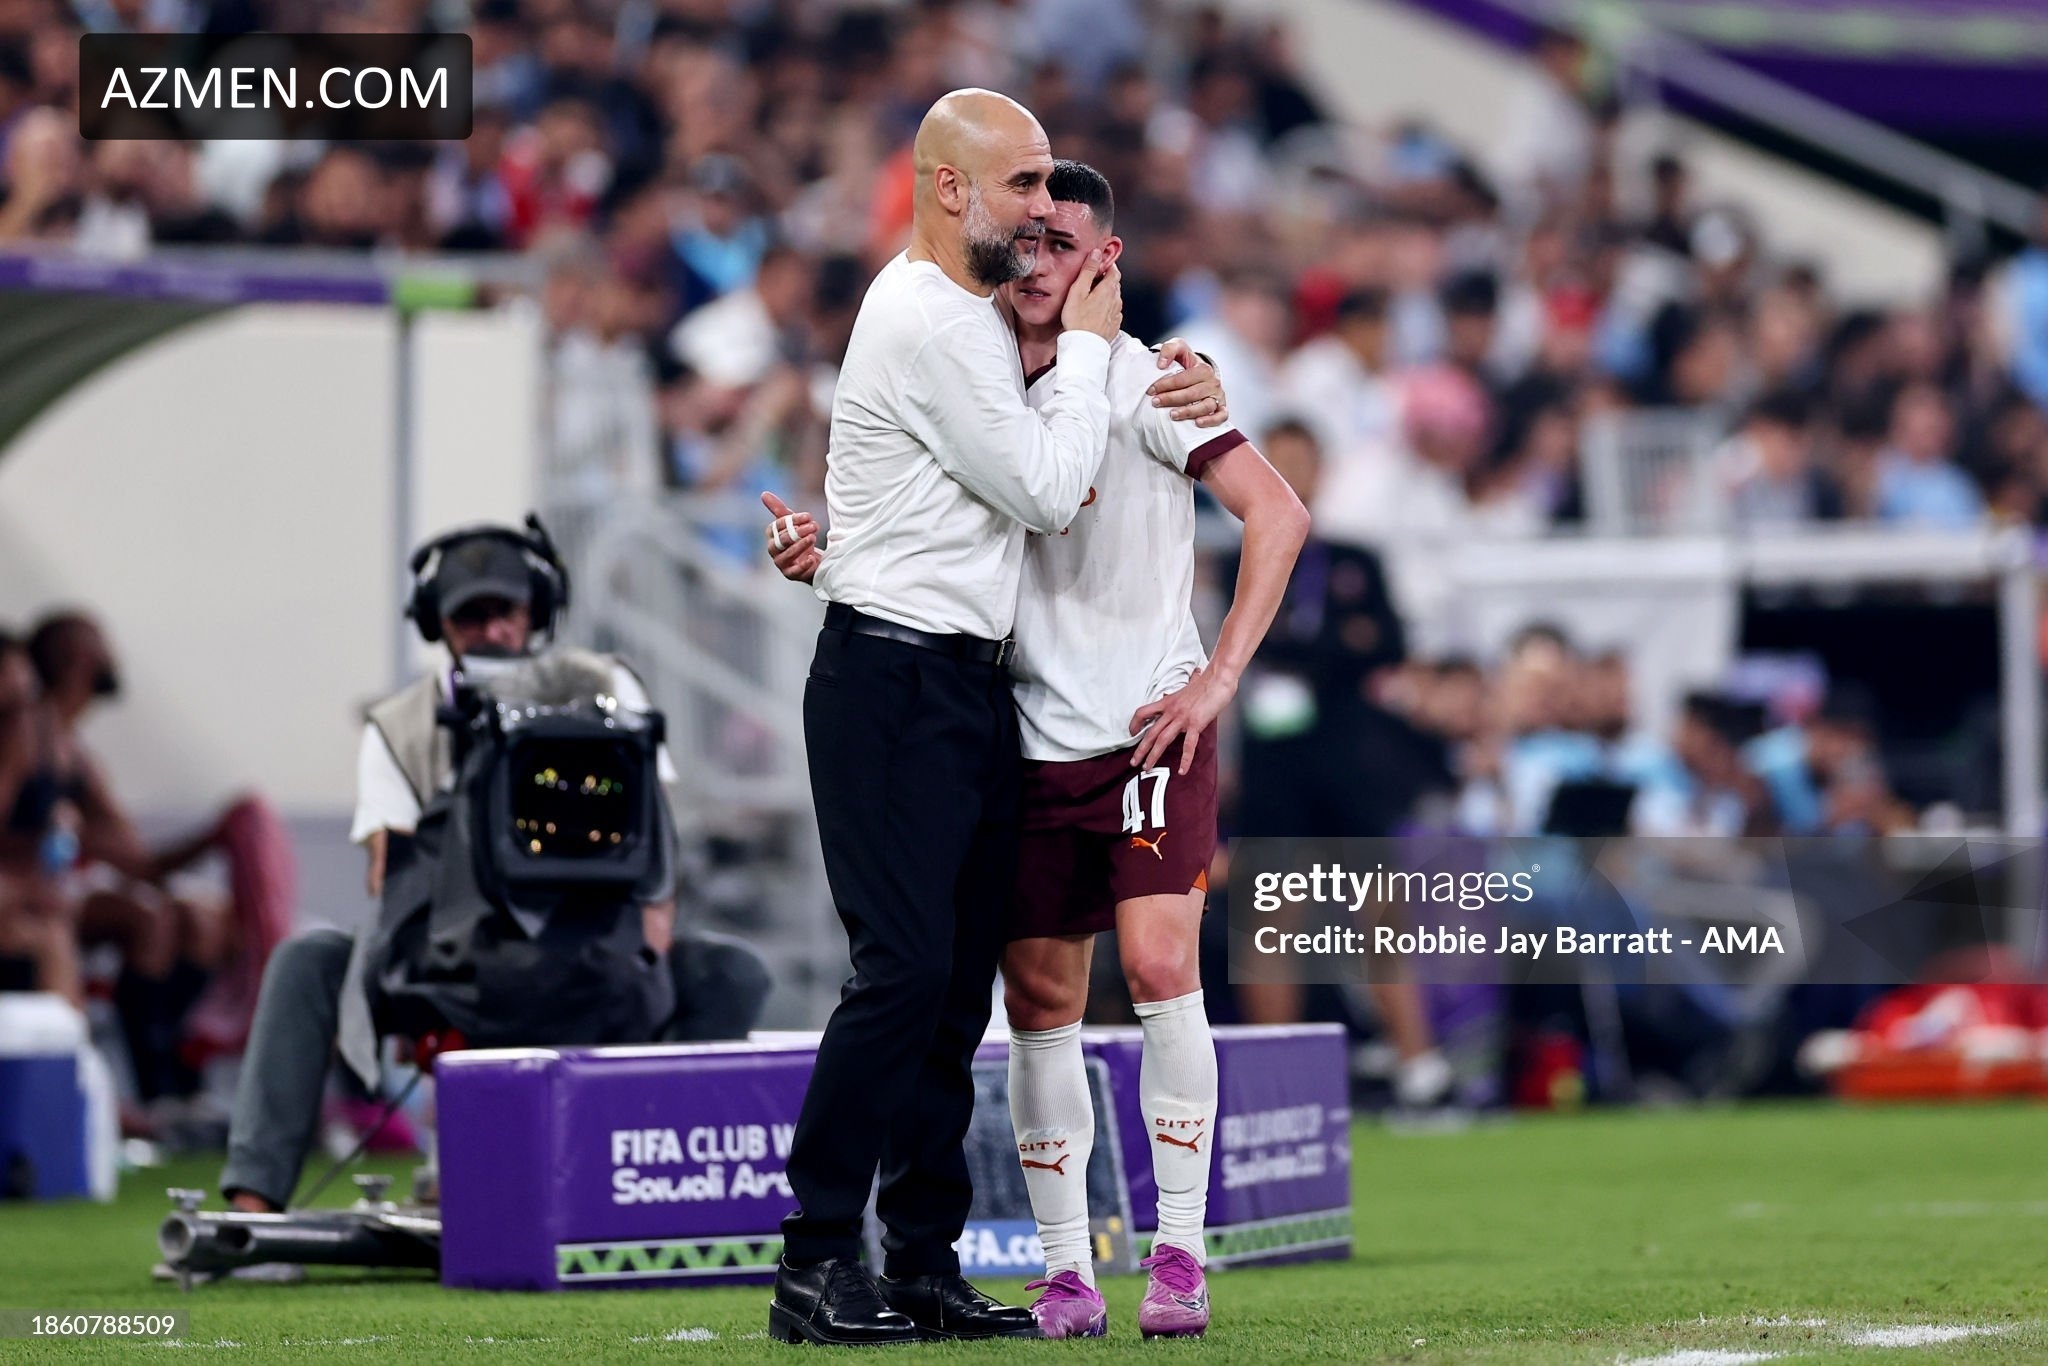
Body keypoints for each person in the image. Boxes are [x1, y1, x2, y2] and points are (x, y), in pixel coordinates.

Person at [767, 160, 1305, 1340]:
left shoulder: (1146, 381)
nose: (1033, 259)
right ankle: (1064, 1271)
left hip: (1148, 728)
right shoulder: (981, 372)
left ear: (1104, 260)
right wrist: (836, 557)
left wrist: (1216, 679)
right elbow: (940, 535)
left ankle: (1179, 1254)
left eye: (1060, 243)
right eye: (1023, 238)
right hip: (1021, 735)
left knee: (1157, 967)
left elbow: (1278, 512)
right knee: (1032, 998)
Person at [212, 519, 770, 1235]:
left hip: (605, 953)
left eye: (506, 610)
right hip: (458, 968)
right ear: (436, 624)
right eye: (470, 616)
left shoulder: (609, 692)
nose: (493, 631)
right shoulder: (401, 728)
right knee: (308, 961)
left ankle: (667, 1188)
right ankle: (251, 1215)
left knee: (730, 972)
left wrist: (640, 961)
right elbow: (390, 882)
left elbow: (654, 852)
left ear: (538, 610)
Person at [16, 611, 233, 1104]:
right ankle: (151, 1092)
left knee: (198, 919)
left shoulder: (75, 752)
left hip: (66, 886)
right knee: (147, 919)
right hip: (33, 892)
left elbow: (137, 858)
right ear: (77, 659)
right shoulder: (27, 734)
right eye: (101, 643)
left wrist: (217, 836)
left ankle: (182, 1082)